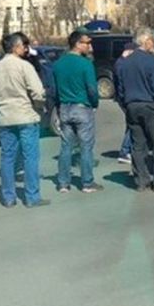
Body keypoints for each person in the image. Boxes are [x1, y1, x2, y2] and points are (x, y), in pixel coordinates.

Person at [0, 32, 48, 208]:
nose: (26, 49)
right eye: (24, 46)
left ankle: (8, 197)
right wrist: (38, 105)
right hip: (26, 116)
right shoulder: (24, 67)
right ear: (16, 47)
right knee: (30, 158)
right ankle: (32, 197)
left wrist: (0, 107)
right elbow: (38, 91)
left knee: (7, 158)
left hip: (5, 118)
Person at [116, 28, 154, 191]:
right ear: (146, 41)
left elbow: (120, 88)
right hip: (151, 105)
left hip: (132, 105)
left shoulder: (125, 62)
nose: (153, 43)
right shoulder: (151, 61)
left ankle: (141, 180)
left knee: (137, 144)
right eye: (151, 40)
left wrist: (125, 104)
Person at [52, 29, 102, 194]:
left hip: (65, 107)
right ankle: (87, 182)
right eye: (87, 43)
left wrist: (58, 107)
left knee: (66, 146)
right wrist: (94, 103)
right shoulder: (85, 64)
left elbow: (54, 90)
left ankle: (63, 183)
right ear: (78, 44)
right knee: (86, 146)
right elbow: (92, 89)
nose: (90, 46)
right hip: (82, 107)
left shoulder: (58, 64)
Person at [115, 42, 137, 164]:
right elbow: (121, 85)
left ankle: (127, 149)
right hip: (125, 99)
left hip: (124, 98)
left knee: (131, 123)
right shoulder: (122, 64)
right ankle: (125, 151)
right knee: (132, 124)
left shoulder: (120, 63)